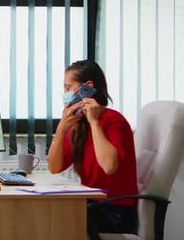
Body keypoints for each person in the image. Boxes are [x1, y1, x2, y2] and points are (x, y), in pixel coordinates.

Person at [47, 60, 138, 239]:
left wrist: (94, 122)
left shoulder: (113, 121)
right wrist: (61, 130)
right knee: (48, 216)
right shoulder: (77, 126)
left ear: (87, 87)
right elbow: (54, 167)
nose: (65, 94)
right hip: (92, 206)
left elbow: (109, 166)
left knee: (55, 224)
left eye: (68, 87)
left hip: (115, 211)